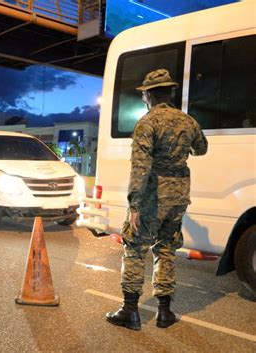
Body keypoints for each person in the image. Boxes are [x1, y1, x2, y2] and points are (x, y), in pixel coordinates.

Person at [106, 69, 208, 330]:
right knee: (166, 250)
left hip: (153, 197)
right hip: (178, 197)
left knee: (135, 248)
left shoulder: (147, 122)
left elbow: (141, 167)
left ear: (149, 95)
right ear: (170, 92)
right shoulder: (188, 121)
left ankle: (130, 311)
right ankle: (164, 312)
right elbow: (201, 148)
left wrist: (135, 205)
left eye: (144, 94)